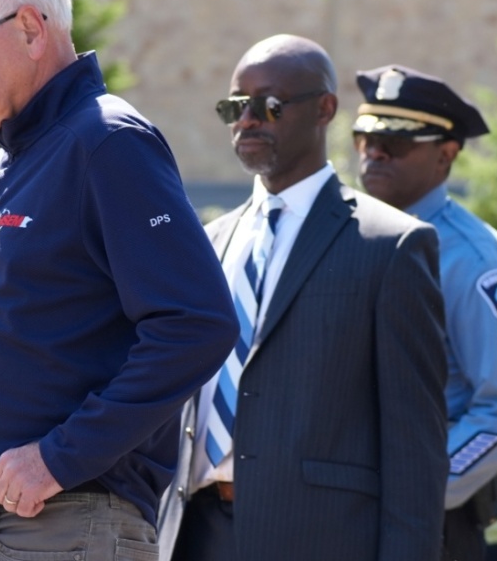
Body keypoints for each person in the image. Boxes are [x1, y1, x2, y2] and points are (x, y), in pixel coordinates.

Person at [0, 0, 239, 561]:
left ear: (31, 29)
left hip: (58, 520)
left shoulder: (106, 141)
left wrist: (59, 459)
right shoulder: (22, 155)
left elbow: (196, 323)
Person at [156, 35, 449, 561]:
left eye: (268, 104)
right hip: (193, 534)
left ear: (325, 109)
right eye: (235, 107)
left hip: (319, 538)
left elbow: (414, 447)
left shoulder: (390, 245)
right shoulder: (208, 242)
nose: (247, 120)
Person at [351, 65, 497, 561]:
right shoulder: (349, 238)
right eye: (365, 139)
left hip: (428, 523)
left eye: (394, 143)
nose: (374, 153)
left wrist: (421, 488)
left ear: (446, 153)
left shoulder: (473, 260)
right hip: (340, 514)